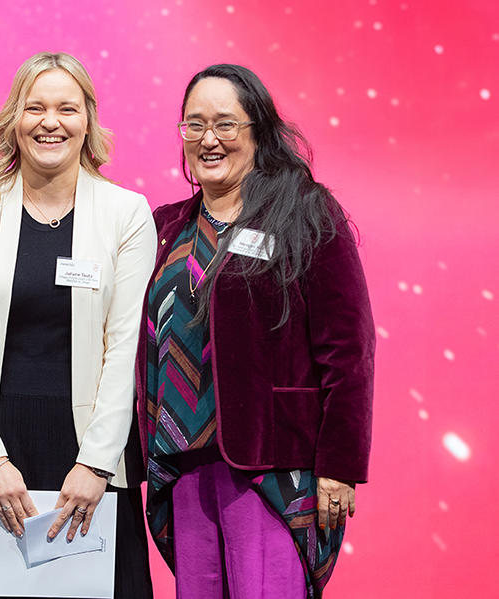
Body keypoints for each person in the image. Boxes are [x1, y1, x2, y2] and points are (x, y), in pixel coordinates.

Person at [135, 64, 375, 599]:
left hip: (272, 468)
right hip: (183, 465)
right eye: (193, 125)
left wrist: (339, 464)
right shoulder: (164, 224)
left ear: (258, 130)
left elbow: (349, 350)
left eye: (225, 123)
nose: (208, 139)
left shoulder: (306, 212)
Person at [0, 52, 156, 599]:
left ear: (88, 120)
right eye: (35, 107)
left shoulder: (127, 214)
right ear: (14, 119)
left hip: (91, 451)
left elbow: (124, 347)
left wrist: (97, 465)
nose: (50, 122)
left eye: (66, 108)